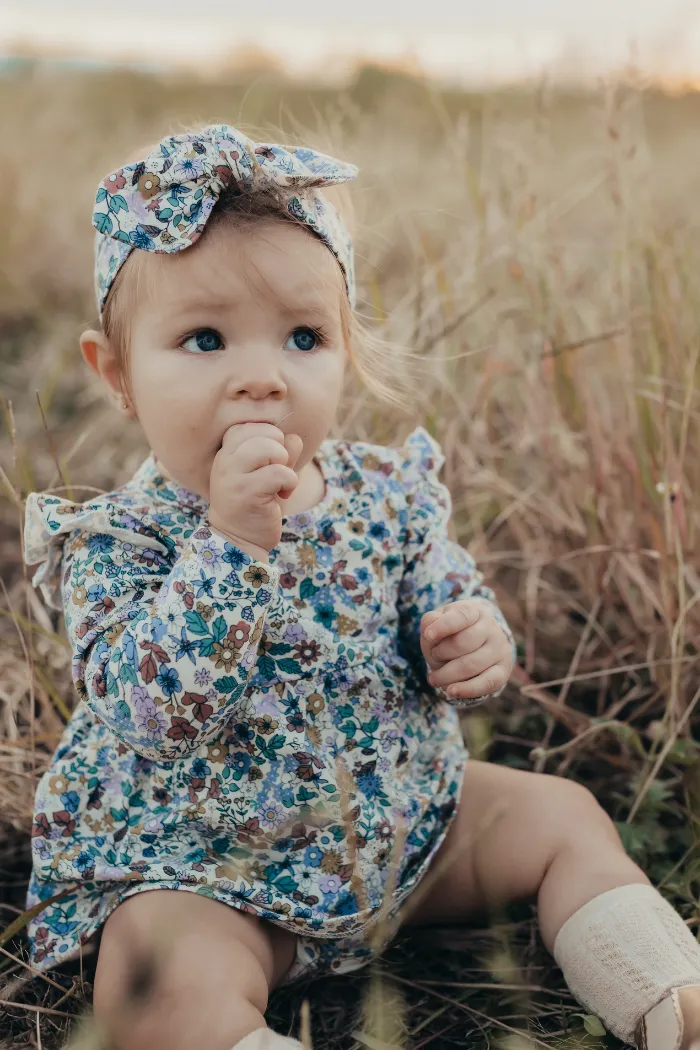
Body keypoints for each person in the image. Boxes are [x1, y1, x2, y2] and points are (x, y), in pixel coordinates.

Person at [23, 124, 700, 1050]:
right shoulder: (119, 541)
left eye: (304, 336)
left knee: (559, 815)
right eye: (205, 339)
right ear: (118, 374)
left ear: (346, 348)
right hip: (211, 870)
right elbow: (149, 713)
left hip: (403, 832)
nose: (260, 378)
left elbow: (448, 598)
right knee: (149, 973)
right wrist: (231, 545)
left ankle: (669, 995)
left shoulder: (387, 493)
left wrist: (471, 642)